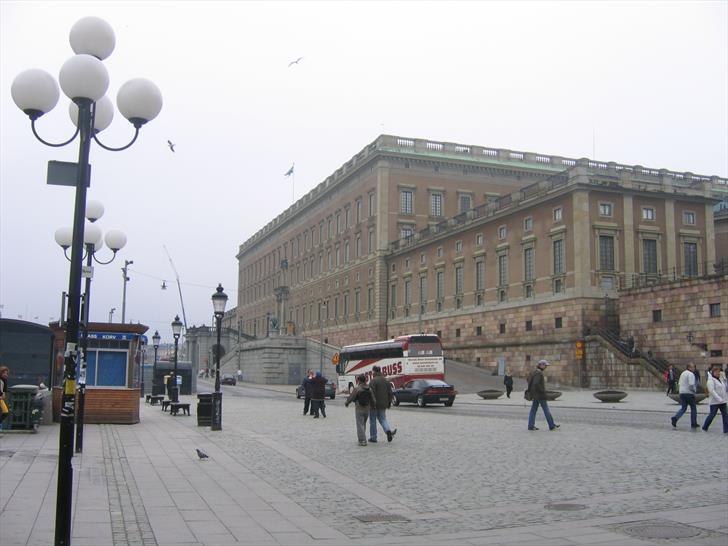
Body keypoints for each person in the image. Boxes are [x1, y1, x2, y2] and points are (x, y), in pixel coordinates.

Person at [526, 359, 559, 431]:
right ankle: (551, 425)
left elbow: (528, 379)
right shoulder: (539, 373)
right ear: (541, 365)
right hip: (540, 395)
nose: (546, 367)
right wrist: (543, 391)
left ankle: (531, 426)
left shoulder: (533, 371)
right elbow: (536, 383)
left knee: (533, 410)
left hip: (535, 395)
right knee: (546, 410)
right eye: (545, 365)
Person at [345, 374, 376, 446]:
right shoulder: (369, 388)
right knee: (363, 424)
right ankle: (363, 437)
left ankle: (362, 440)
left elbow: (351, 397)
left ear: (359, 380)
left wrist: (347, 403)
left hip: (359, 408)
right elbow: (373, 399)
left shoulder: (357, 389)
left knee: (360, 424)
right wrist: (374, 406)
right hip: (367, 409)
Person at [368, 365, 396, 443]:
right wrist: (389, 403)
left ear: (374, 371)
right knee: (383, 419)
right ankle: (388, 431)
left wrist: (371, 403)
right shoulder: (386, 380)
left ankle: (373, 437)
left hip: (374, 404)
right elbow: (390, 393)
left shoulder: (373, 381)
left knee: (373, 420)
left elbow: (371, 393)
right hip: (384, 404)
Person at [671, 363, 699, 429]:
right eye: (693, 367)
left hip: (682, 393)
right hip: (689, 393)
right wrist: (694, 391)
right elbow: (691, 385)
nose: (694, 368)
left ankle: (675, 418)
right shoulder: (691, 374)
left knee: (683, 408)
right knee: (693, 408)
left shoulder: (683, 373)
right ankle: (693, 423)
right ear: (689, 367)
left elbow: (680, 383)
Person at [701, 364, 728, 433]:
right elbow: (712, 391)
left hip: (723, 401)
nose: (718, 373)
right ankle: (705, 427)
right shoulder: (710, 380)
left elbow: (724, 389)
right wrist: (719, 399)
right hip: (715, 401)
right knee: (712, 415)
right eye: (716, 372)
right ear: (713, 372)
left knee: (725, 415)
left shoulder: (720, 379)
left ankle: (726, 429)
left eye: (719, 372)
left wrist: (724, 378)